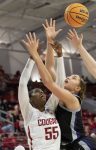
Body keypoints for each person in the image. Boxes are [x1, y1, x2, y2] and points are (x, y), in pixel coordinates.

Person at [23, 29, 96, 149]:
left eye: (74, 78)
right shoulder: (57, 96)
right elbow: (49, 68)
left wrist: (36, 55)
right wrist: (50, 42)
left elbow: (48, 82)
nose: (69, 77)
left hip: (78, 143)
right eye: (69, 76)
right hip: (63, 145)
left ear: (77, 88)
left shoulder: (73, 99)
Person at [18, 19, 64, 150]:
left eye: (43, 92)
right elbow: (22, 84)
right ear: (30, 99)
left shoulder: (50, 107)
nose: (43, 93)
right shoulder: (29, 112)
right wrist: (32, 57)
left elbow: (60, 86)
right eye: (38, 93)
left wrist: (60, 55)